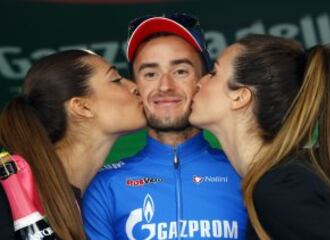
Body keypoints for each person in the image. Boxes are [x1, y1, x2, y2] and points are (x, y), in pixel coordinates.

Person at [82, 14, 248, 239]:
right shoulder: (104, 185)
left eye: (180, 71)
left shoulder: (245, 174)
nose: (165, 86)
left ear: (203, 81)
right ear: (135, 87)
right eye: (150, 74)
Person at [190, 33, 330, 239]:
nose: (200, 82)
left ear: (240, 96)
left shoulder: (280, 188)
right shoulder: (284, 178)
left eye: (214, 73)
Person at [0, 49, 145, 239]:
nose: (135, 87)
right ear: (82, 106)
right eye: (116, 80)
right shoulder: (9, 192)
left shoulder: (98, 204)